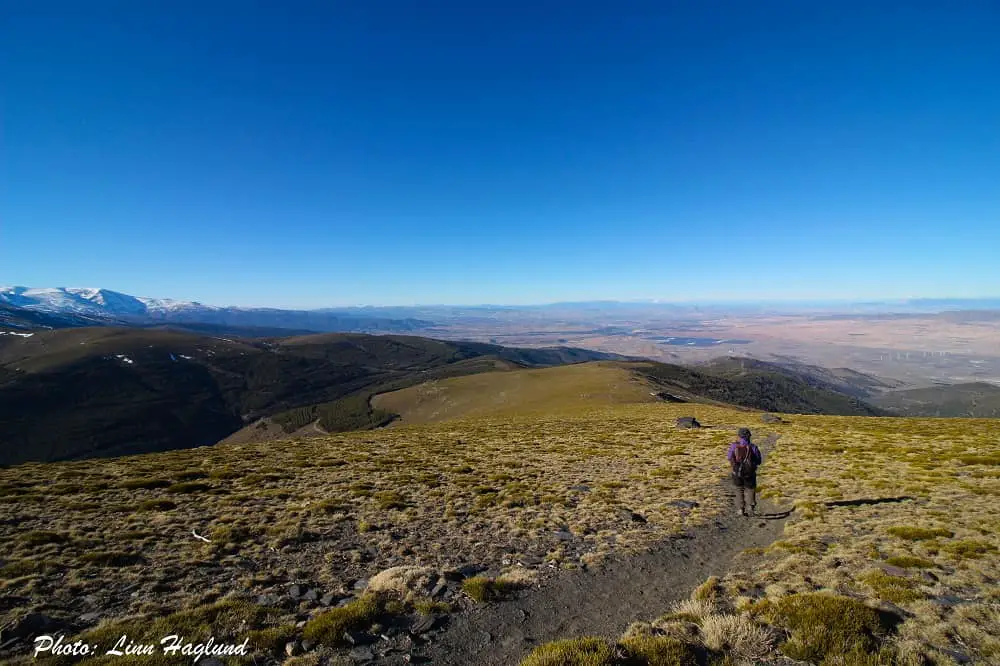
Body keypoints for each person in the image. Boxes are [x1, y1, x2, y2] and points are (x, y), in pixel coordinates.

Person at [727, 427, 763, 516]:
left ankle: (740, 509)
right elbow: (759, 461)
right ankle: (751, 507)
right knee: (750, 489)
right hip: (750, 473)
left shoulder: (734, 446)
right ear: (749, 436)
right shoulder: (753, 447)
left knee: (739, 489)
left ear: (739, 436)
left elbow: (729, 457)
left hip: (736, 472)